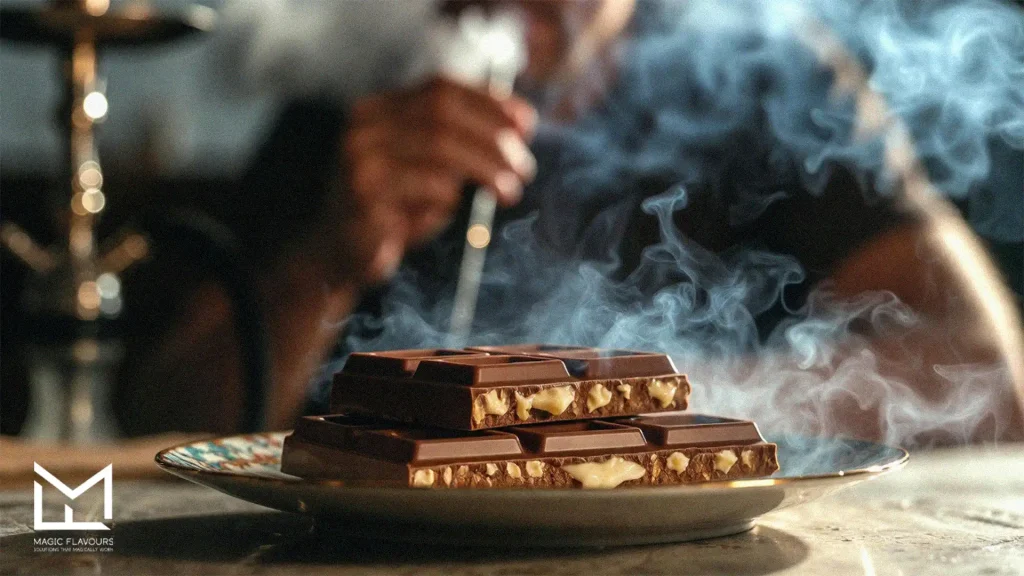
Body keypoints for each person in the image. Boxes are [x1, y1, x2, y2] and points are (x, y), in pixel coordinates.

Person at [113, 0, 1024, 445]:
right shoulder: (363, 97)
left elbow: (990, 374)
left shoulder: (766, 74)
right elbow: (164, 429)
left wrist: (605, 408)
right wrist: (328, 259)